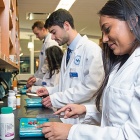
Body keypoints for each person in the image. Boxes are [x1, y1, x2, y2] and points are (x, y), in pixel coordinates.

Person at [37, 0, 140, 139]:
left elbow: (132, 135)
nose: (104, 39)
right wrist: (86, 110)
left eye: (107, 29)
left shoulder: (92, 51)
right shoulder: (119, 64)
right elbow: (112, 113)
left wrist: (72, 132)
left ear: (133, 22)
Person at [36, 9, 104, 124]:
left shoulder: (91, 50)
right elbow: (65, 86)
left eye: (54, 32)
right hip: (67, 118)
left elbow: (89, 88)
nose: (52, 37)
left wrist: (56, 99)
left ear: (66, 25)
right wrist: (49, 90)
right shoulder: (68, 53)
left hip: (82, 122)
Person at [26, 21, 59, 88]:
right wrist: (34, 77)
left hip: (48, 80)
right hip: (45, 79)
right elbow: (42, 66)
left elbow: (46, 66)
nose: (36, 36)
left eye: (37, 34)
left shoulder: (51, 42)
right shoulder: (46, 42)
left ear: (43, 29)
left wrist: (35, 78)